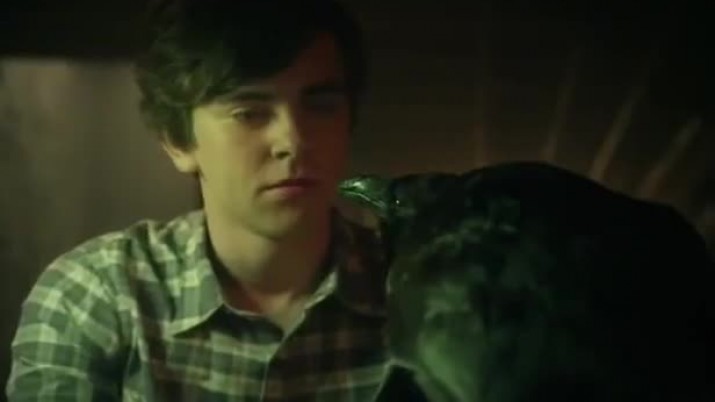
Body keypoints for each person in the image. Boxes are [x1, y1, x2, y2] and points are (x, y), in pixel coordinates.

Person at [6, 0, 393, 400]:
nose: (292, 141)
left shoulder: (415, 288)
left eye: (321, 106)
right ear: (177, 142)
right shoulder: (96, 296)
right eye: (249, 113)